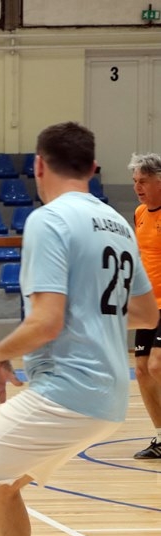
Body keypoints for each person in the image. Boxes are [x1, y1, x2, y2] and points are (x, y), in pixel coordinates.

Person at [0, 122, 158, 536]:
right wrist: (91, 312)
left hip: (65, 391)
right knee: (1, 486)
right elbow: (145, 313)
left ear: (38, 165)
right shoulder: (118, 222)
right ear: (93, 168)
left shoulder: (49, 219)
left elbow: (46, 321)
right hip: (110, 397)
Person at [128, 153, 161, 459]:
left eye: (144, 181)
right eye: (135, 181)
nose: (138, 187)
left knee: (157, 364)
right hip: (150, 305)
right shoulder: (139, 213)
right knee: (141, 369)